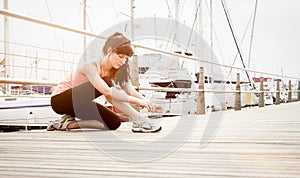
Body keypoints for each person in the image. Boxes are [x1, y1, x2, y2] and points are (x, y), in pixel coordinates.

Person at [47, 32, 162, 133]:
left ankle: (66, 124)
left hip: (79, 104)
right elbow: (107, 92)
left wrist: (147, 102)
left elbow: (130, 90)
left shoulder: (118, 70)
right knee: (107, 83)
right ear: (109, 51)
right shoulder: (90, 66)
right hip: (60, 100)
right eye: (120, 56)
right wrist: (137, 102)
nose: (123, 61)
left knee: (113, 122)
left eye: (126, 59)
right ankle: (138, 119)